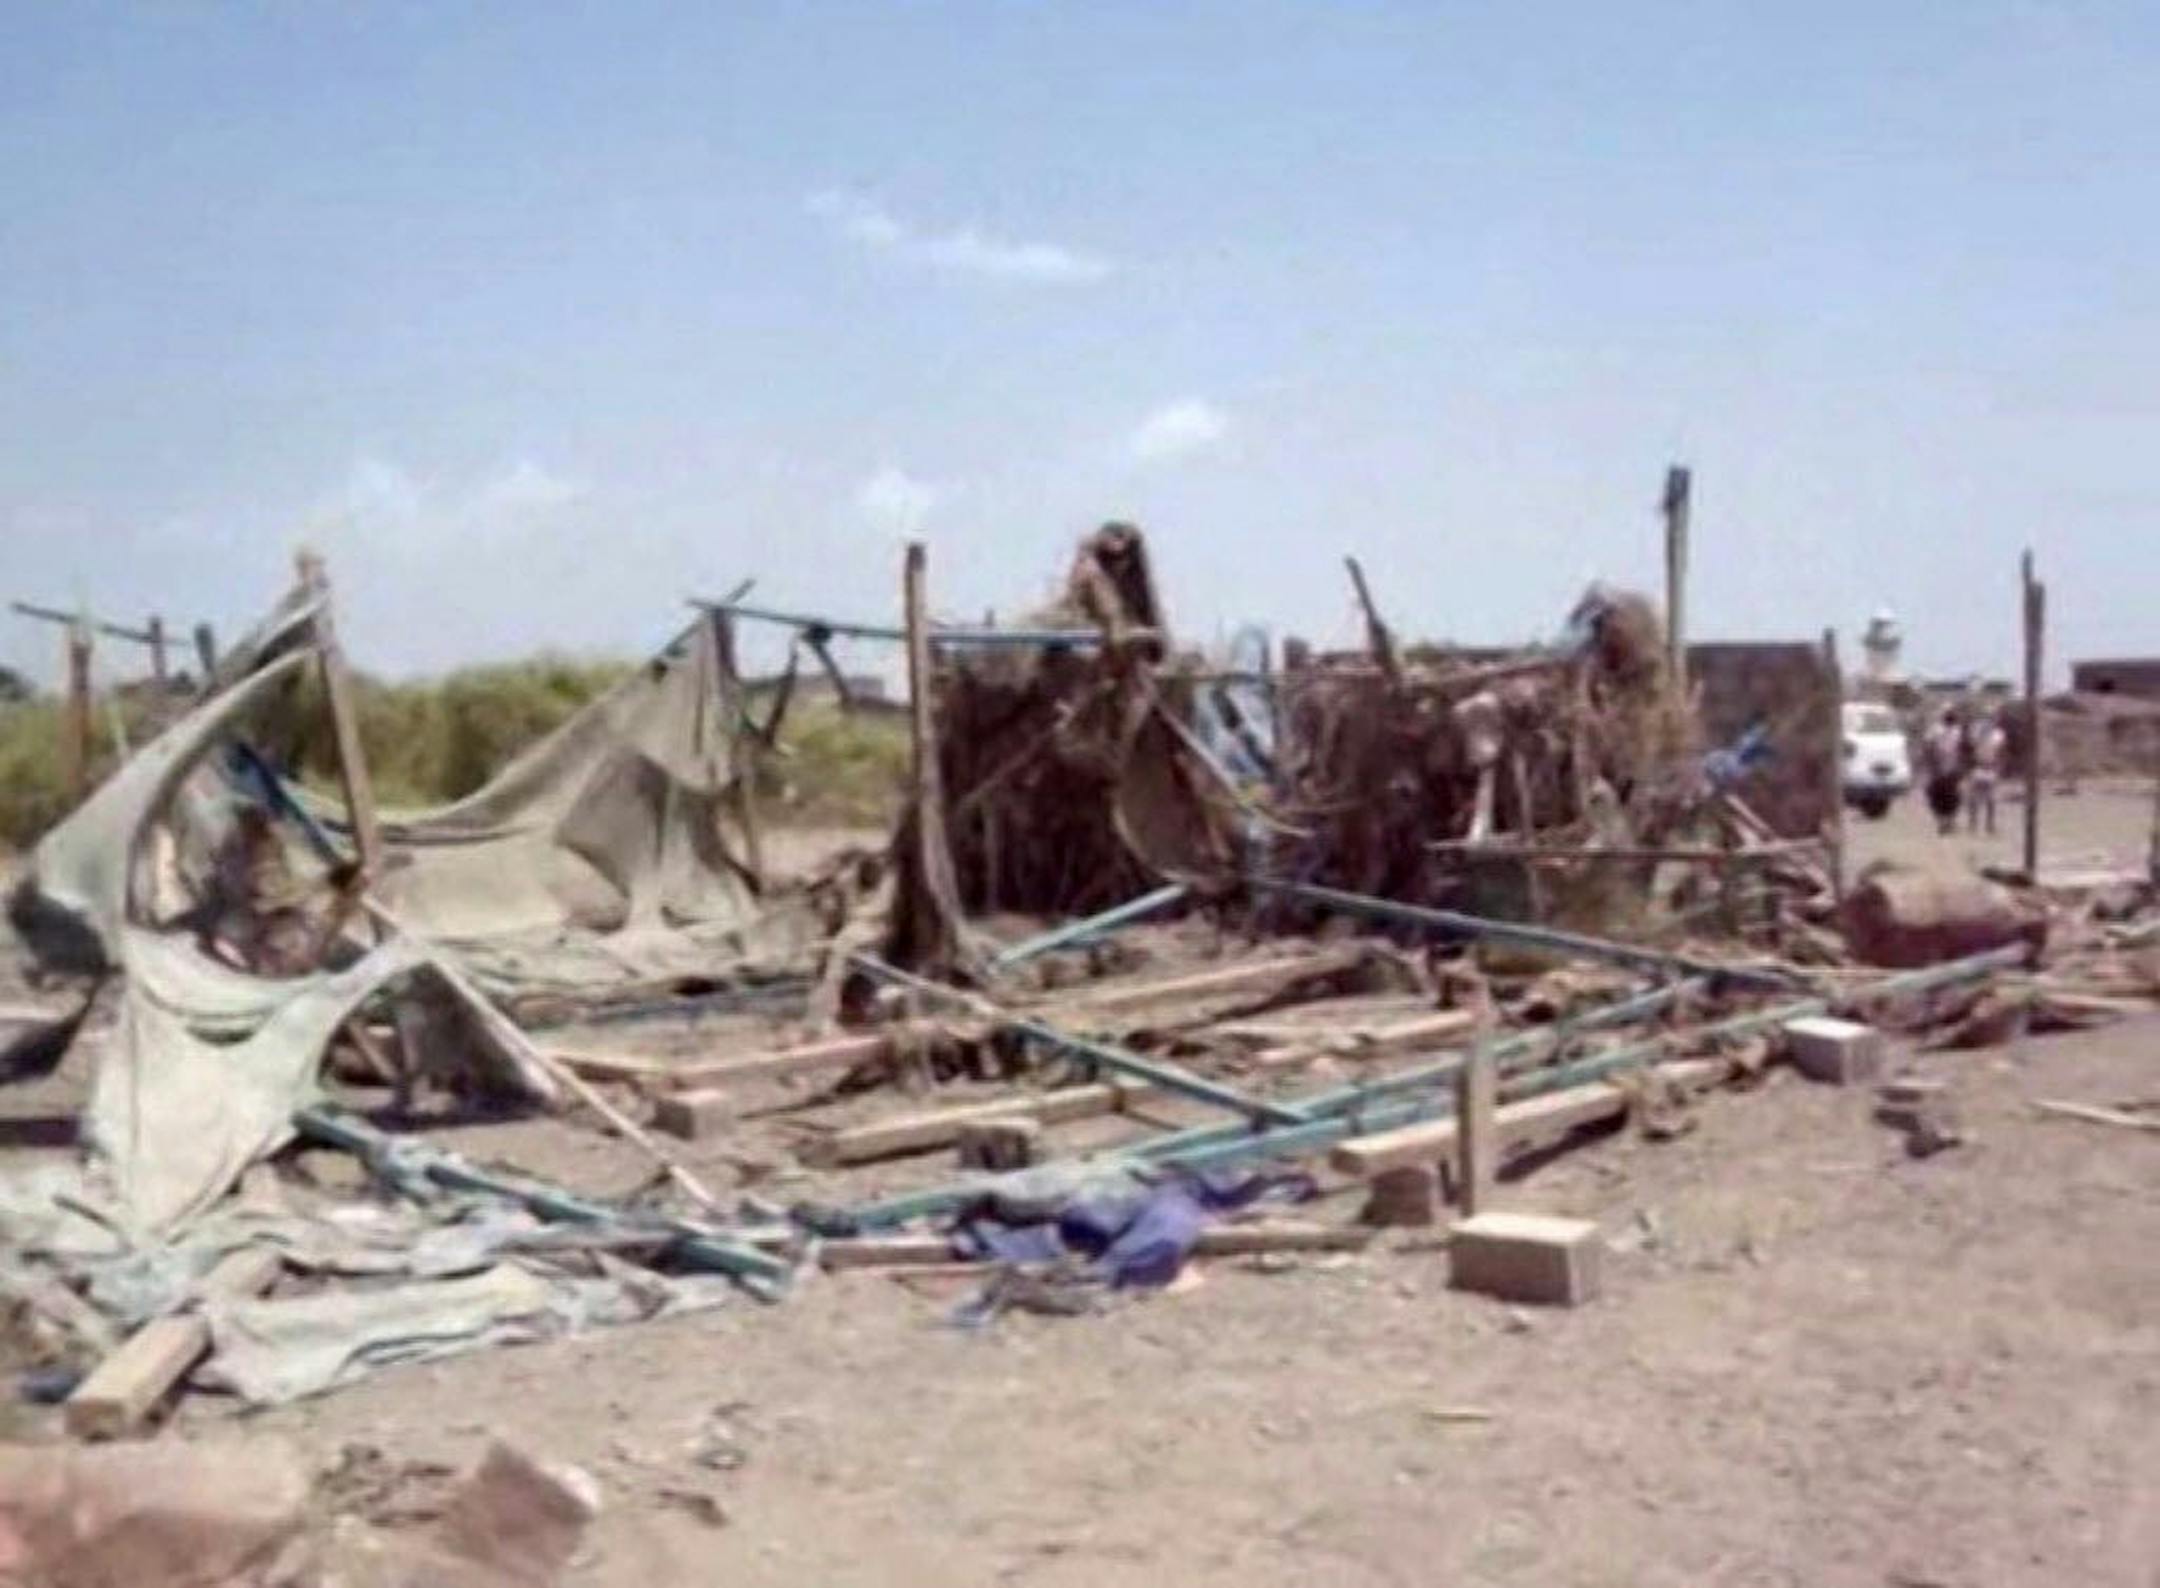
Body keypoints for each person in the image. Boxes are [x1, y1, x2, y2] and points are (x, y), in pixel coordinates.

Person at [1923, 709, 1965, 836]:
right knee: (1938, 795)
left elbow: (1961, 749)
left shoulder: (1956, 731)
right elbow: (1928, 747)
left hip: (1949, 768)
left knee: (1949, 796)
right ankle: (1944, 821)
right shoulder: (1938, 730)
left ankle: (1946, 821)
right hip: (1941, 768)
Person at [1967, 712, 2006, 836]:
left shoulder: (1998, 735)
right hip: (1978, 766)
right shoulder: (1977, 732)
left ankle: (1989, 825)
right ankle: (1973, 824)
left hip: (1990, 767)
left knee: (1991, 799)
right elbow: (1971, 746)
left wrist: (1999, 767)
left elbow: (2000, 752)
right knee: (1973, 798)